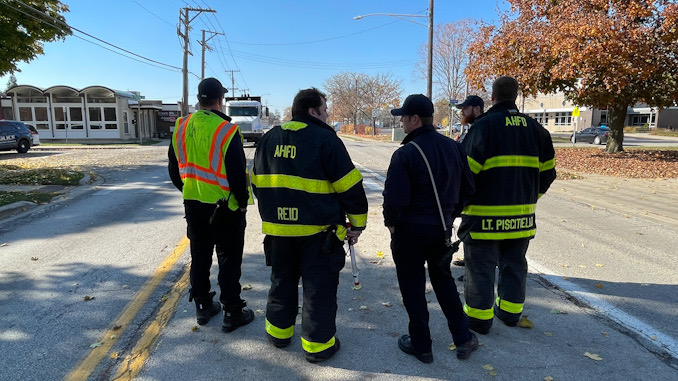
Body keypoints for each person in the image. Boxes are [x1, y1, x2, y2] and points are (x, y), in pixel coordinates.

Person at [251, 87, 368, 363]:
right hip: (319, 234)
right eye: (325, 109)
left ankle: (278, 334)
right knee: (318, 289)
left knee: (281, 281)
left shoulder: (268, 140)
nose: (327, 115)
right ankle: (318, 346)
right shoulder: (326, 141)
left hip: (279, 232)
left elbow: (257, 183)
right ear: (313, 111)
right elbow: (350, 187)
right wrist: (357, 224)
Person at [383, 94, 478, 363]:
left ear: (415, 119)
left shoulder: (405, 153)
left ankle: (422, 345)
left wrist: (391, 224)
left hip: (408, 232)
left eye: (403, 116)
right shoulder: (455, 148)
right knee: (443, 282)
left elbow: (394, 199)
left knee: (412, 287)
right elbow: (469, 189)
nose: (400, 120)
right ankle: (463, 338)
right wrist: (449, 215)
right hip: (440, 230)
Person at [459, 76, 556, 334]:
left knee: (480, 268)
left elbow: (465, 174)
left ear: (492, 97)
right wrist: (529, 199)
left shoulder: (483, 128)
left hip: (483, 219)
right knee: (514, 266)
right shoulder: (537, 131)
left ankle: (479, 321)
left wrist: (459, 207)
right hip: (521, 220)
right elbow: (548, 174)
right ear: (515, 96)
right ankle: (511, 314)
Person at [168, 77, 254, 332]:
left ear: (199, 99)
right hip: (224, 207)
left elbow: (174, 170)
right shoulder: (227, 130)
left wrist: (189, 190)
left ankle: (203, 307)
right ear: (220, 100)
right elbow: (238, 174)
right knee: (228, 259)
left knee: (200, 256)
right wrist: (241, 205)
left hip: (193, 204)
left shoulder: (181, 126)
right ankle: (232, 311)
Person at [452, 95, 485, 268]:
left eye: (466, 108)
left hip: (477, 193)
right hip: (472, 192)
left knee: (474, 231)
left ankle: (473, 268)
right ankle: (469, 261)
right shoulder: (473, 127)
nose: (462, 112)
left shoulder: (481, 128)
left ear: (477, 109)